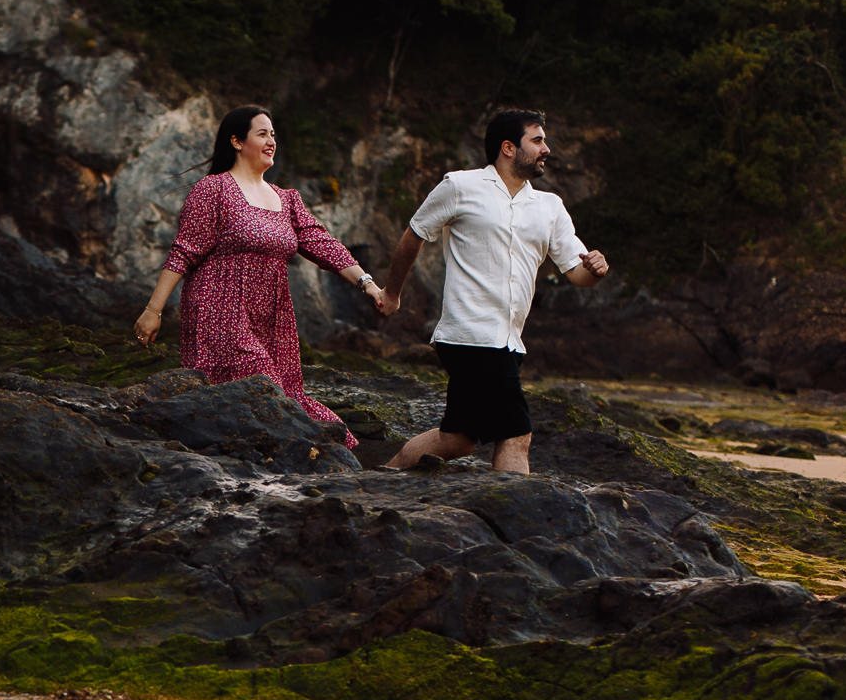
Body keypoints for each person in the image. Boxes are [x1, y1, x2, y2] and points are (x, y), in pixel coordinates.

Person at [134, 106, 384, 448]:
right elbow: (184, 252)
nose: (271, 142)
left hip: (272, 319)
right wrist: (154, 310)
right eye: (262, 134)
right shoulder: (214, 189)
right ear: (237, 141)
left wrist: (367, 283)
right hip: (219, 310)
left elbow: (323, 244)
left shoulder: (286, 198)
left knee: (297, 410)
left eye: (273, 135)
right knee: (264, 396)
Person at [376, 109, 609, 474]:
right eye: (537, 140)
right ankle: (517, 522)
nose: (546, 148)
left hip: (509, 341)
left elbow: (575, 272)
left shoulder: (550, 207)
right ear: (508, 148)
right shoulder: (460, 186)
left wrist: (594, 271)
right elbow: (414, 233)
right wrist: (392, 292)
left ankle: (382, 477)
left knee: (458, 439)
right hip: (470, 335)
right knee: (517, 434)